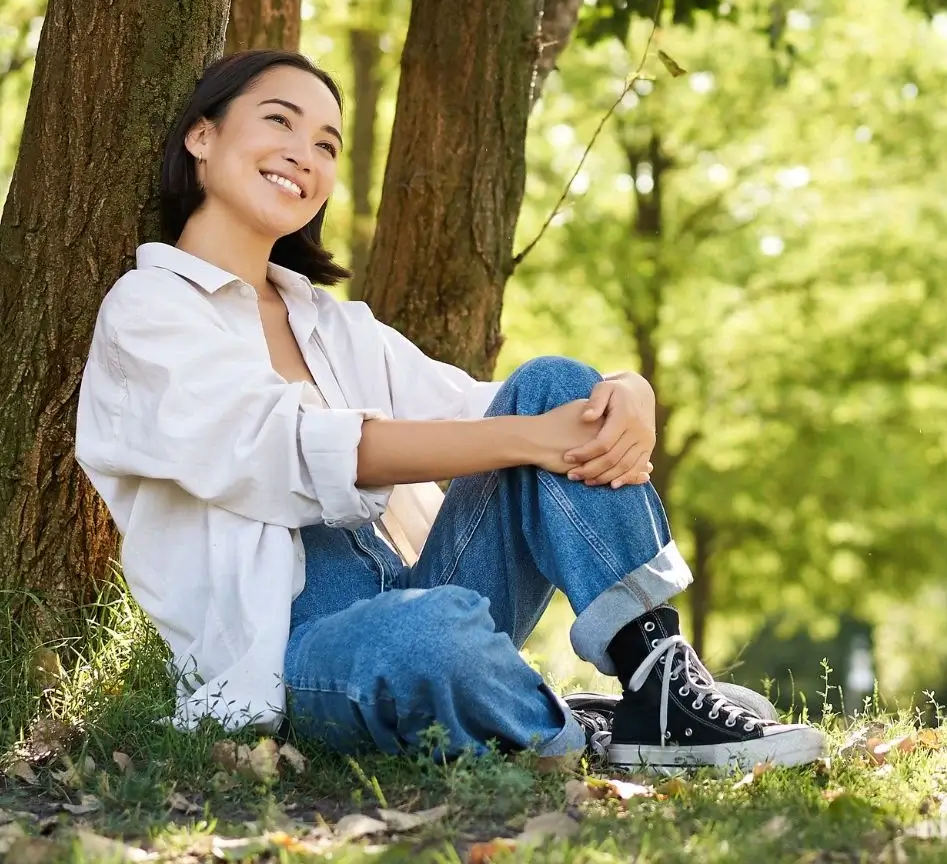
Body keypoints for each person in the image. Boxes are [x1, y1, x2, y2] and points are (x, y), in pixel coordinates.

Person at [75, 50, 825, 772]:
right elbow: (286, 449)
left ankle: (660, 680)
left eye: (327, 144)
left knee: (556, 382)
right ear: (201, 136)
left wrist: (628, 390)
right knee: (430, 638)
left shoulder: (331, 323)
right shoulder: (149, 311)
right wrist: (531, 437)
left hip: (419, 583)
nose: (304, 153)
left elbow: (489, 408)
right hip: (293, 655)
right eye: (279, 121)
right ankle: (577, 726)